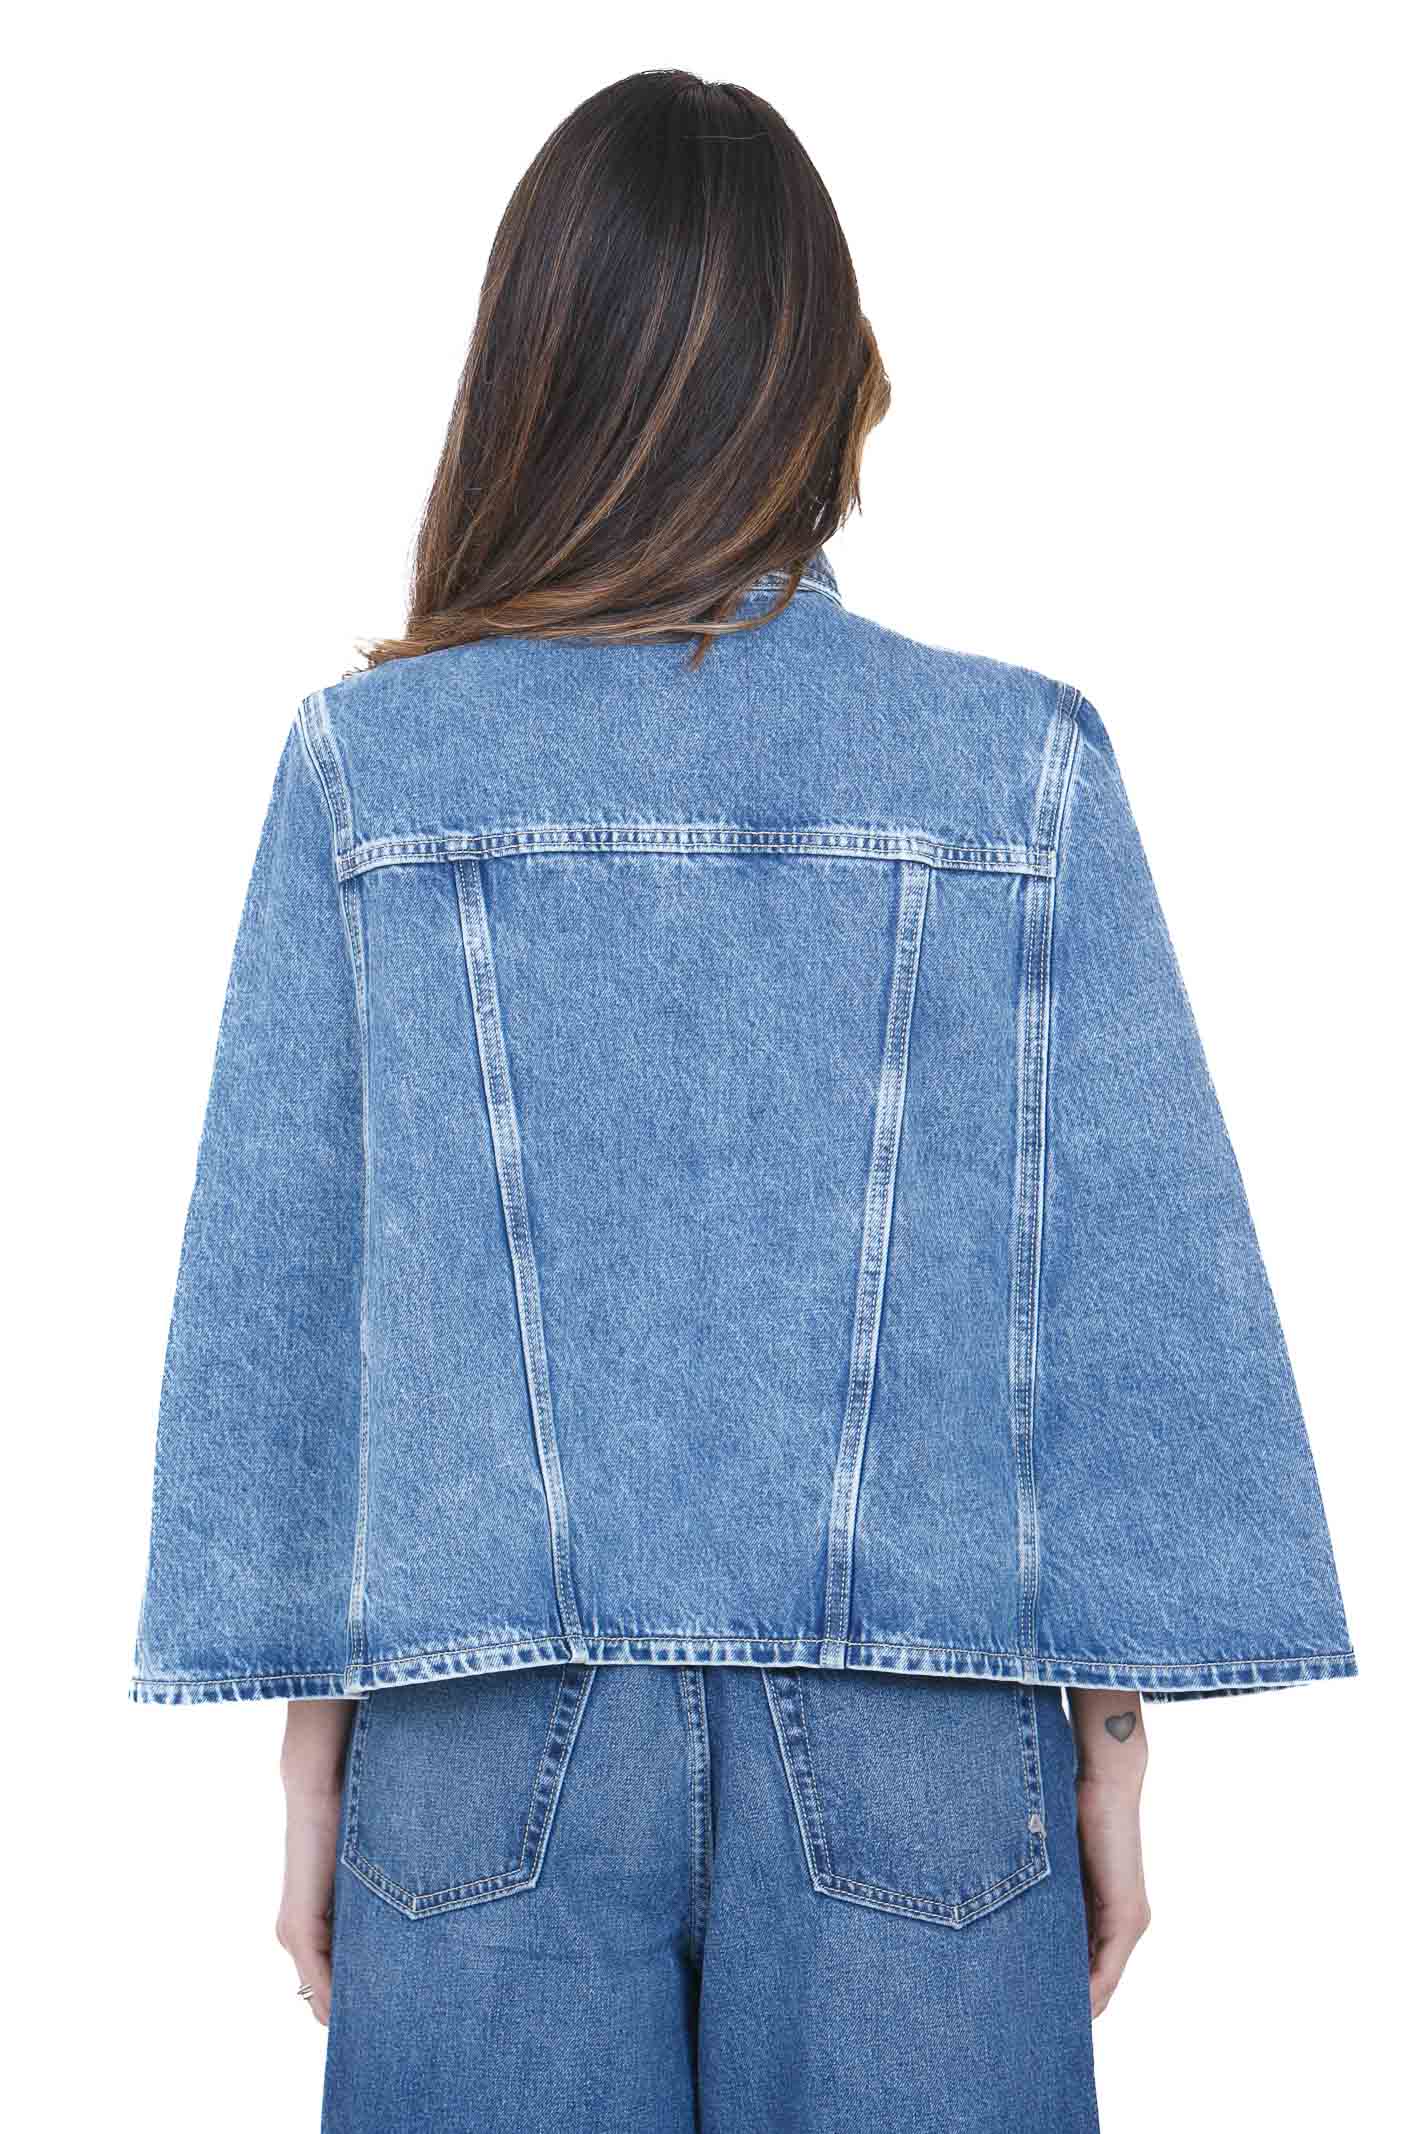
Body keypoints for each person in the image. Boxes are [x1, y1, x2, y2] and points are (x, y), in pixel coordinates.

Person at [129, 69, 1355, 2134]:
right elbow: (1117, 1282)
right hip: (923, 1733)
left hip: (480, 1729)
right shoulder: (1016, 769)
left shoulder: (369, 773)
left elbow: (302, 1288)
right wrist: (1112, 1739)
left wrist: (312, 1743)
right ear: (823, 378)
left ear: (530, 373)